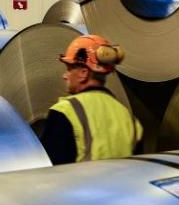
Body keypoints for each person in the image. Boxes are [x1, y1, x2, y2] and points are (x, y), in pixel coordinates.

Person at [39, 34, 143, 164]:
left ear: (84, 73)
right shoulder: (130, 119)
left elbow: (47, 170)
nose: (65, 76)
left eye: (69, 69)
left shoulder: (64, 113)